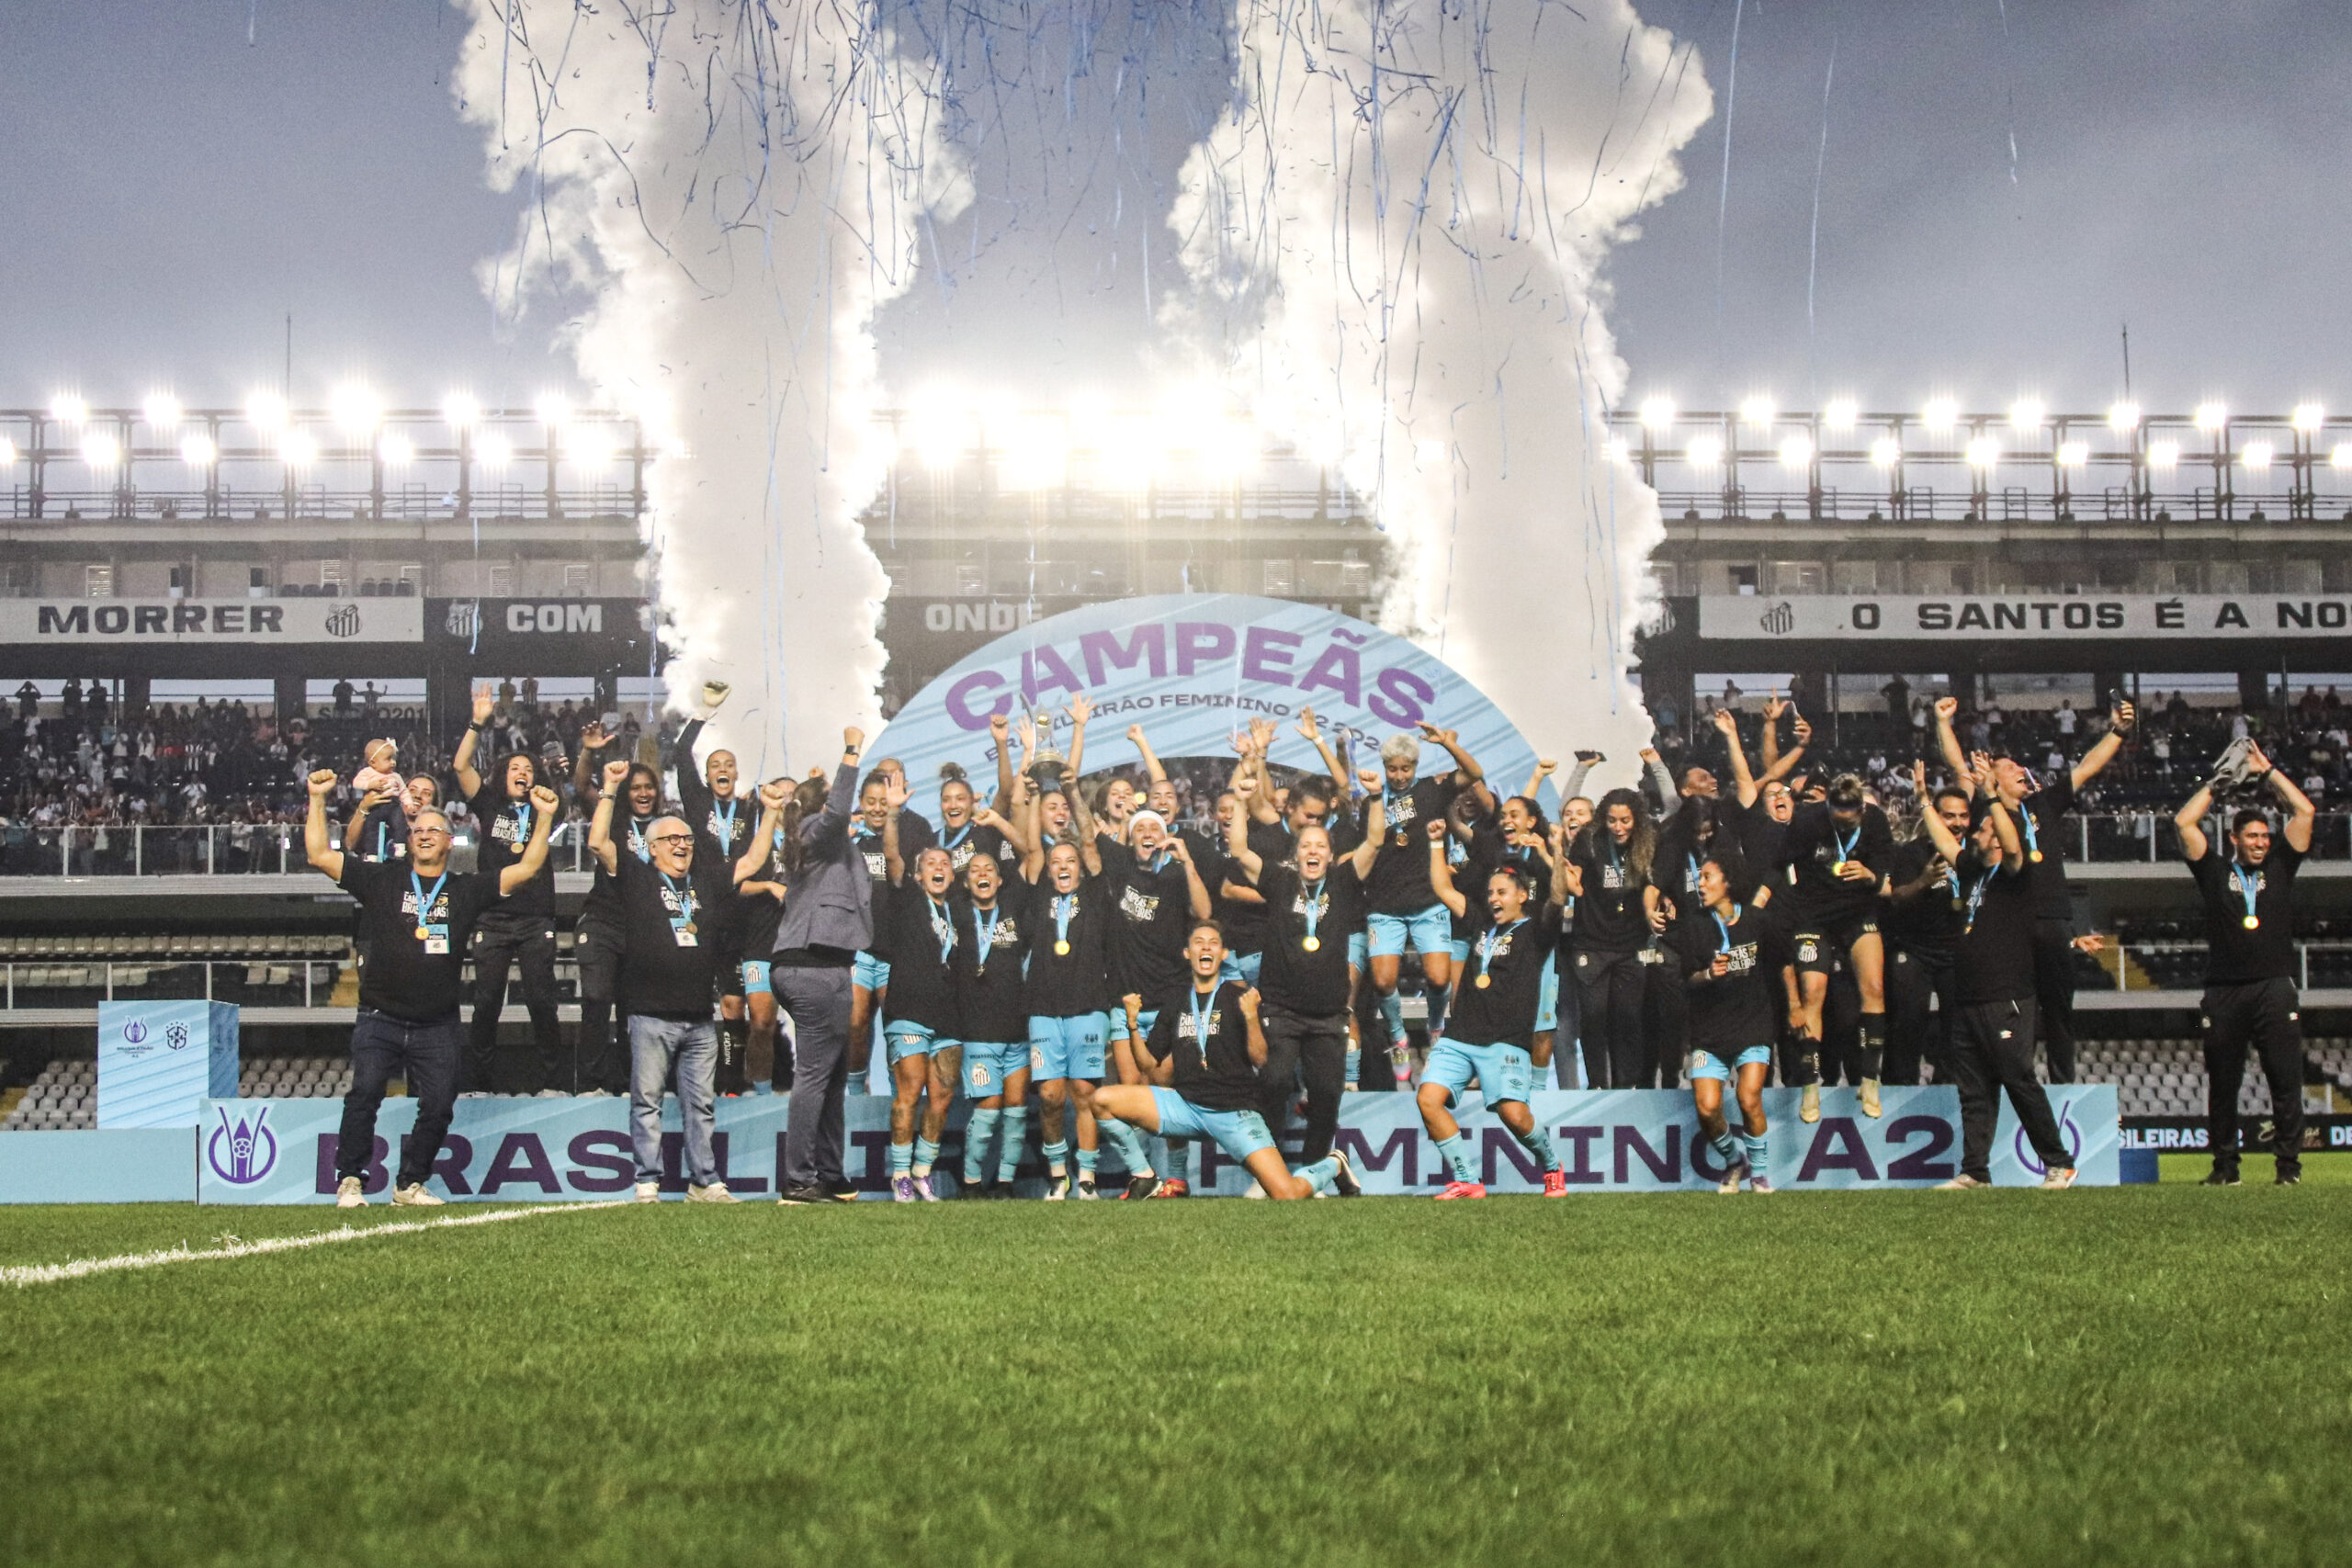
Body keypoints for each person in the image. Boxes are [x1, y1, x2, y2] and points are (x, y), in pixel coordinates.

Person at [303, 766, 556, 1208]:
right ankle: (350, 1180)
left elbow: (529, 867)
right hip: (379, 1015)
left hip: (437, 1024)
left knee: (439, 1105)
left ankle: (409, 1184)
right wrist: (317, 799)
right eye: (418, 830)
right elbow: (320, 855)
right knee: (365, 1094)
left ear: (449, 840)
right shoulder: (382, 879)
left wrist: (546, 817)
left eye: (433, 830)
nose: (423, 835)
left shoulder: (465, 890)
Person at [588, 761, 782, 1204]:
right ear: (652, 848)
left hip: (698, 1017)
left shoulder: (707, 880)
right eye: (672, 840)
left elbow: (753, 861)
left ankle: (704, 1182)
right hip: (649, 1014)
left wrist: (770, 811)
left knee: (702, 1106)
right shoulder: (636, 877)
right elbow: (598, 841)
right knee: (647, 1102)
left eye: (687, 839)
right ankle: (647, 1181)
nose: (682, 845)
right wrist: (611, 786)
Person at [1936, 693, 2135, 1085]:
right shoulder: (1986, 811)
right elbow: (1958, 767)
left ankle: (2063, 1087)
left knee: (2059, 1008)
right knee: (2017, 1007)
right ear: (1993, 779)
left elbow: (2088, 767)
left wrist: (2118, 732)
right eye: (2010, 767)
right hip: (2010, 925)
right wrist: (1943, 723)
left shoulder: (2043, 804)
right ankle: (2017, 1081)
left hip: (2052, 918)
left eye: (2019, 766)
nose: (2020, 770)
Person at [1091, 920, 1359, 1201]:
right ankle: (1144, 1177)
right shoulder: (1176, 1001)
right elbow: (1148, 1065)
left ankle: (1334, 1164)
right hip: (1186, 1107)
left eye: (1213, 943)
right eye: (1199, 942)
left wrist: (1252, 1017)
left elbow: (1261, 1059)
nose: (1206, 947)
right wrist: (1133, 1025)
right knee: (1101, 1100)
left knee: (1286, 1194)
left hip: (1234, 1114)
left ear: (1223, 954)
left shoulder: (1240, 998)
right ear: (1187, 953)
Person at [1916, 752, 2075, 1190]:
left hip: (2006, 995)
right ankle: (1975, 1171)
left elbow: (2013, 842)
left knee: (2018, 1079)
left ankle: (2059, 1162)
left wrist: (1990, 799)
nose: (1976, 831)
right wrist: (1924, 800)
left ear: (2000, 840)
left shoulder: (2015, 875)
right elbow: (1945, 843)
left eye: (1984, 828)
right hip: (1969, 995)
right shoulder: (1972, 872)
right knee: (1972, 1089)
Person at [1224, 770, 1385, 1175]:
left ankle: (1312, 1173)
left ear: (1330, 856)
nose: (1313, 851)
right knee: (1275, 1081)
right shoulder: (1279, 881)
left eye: (1320, 846)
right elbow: (1240, 849)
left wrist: (1376, 797)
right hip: (1282, 1011)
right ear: (1296, 855)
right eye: (1306, 845)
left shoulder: (1344, 882)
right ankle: (1270, 1171)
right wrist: (1240, 801)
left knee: (1327, 1093)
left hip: (1329, 1015)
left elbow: (1375, 841)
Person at [2174, 742, 2315, 1186]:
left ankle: (2288, 1170)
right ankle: (2225, 1169)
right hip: (2224, 991)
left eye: (2264, 837)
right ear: (2234, 839)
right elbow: (2183, 822)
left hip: (2274, 987)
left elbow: (2305, 812)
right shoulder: (2215, 872)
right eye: (2251, 836)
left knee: (2286, 1083)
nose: (2260, 843)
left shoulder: (2280, 868)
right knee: (2223, 1085)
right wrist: (2217, 786)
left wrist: (2268, 771)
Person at [1417, 819, 1569, 1200]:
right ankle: (1468, 1179)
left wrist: (1558, 853)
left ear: (1522, 896)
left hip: (1505, 1040)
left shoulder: (1537, 932)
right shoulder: (1481, 923)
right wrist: (1435, 843)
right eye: (1490, 893)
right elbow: (1443, 889)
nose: (1494, 898)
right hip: (1461, 1035)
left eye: (1502, 892)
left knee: (1513, 1115)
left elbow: (1558, 898)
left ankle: (1552, 1167)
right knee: (1428, 1100)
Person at [773, 727, 876, 1206]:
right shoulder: (817, 829)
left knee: (831, 1075)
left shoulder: (814, 836)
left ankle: (831, 1174)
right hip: (813, 966)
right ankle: (798, 1179)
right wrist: (850, 752)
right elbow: (836, 812)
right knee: (815, 1075)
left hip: (818, 965)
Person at [453, 682, 565, 1095]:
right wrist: (477, 723)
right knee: (486, 1005)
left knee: (542, 1002)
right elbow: (461, 767)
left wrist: (550, 793)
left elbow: (560, 804)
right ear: (503, 775)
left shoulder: (547, 807)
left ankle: (552, 1085)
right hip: (493, 917)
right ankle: (479, 1085)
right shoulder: (488, 804)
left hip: (536, 918)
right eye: (515, 768)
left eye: (529, 770)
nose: (522, 773)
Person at [1363, 725, 1489, 1085]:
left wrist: (1448, 743)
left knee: (1438, 978)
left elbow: (1474, 773)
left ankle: (1435, 1029)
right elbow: (1369, 845)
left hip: (1429, 901)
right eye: (1393, 769)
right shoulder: (1373, 798)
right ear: (1385, 767)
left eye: (1405, 768)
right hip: (1384, 905)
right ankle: (1398, 1038)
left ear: (1415, 766)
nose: (1399, 775)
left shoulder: (1433, 789)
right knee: (1383, 982)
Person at [1103, 790, 1214, 1194]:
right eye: (1141, 829)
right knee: (1132, 1093)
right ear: (1130, 838)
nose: (1148, 833)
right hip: (1126, 1001)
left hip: (1169, 999)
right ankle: (1143, 1174)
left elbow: (1204, 913)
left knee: (1167, 1092)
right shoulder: (1119, 871)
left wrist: (1188, 863)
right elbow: (1085, 826)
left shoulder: (1176, 876)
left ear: (1165, 835)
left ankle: (1178, 1177)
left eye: (1155, 828)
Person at [1023, 838, 1138, 1201]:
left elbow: (1090, 846)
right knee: (1049, 1095)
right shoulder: (1038, 897)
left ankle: (1087, 1177)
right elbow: (1031, 848)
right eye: (1056, 861)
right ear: (1048, 870)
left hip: (1088, 1007)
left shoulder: (1096, 896)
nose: (1063, 867)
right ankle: (1059, 1175)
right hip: (1043, 1008)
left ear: (1081, 868)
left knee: (1086, 1093)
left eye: (1070, 861)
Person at [1781, 773, 1895, 1122]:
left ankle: (1870, 1080)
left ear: (1862, 809)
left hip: (1858, 913)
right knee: (1813, 993)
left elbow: (1884, 877)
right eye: (1837, 817)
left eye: (1850, 819)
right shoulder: (1806, 821)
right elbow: (1781, 865)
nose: (1844, 824)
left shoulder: (1876, 821)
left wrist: (1870, 875)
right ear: (1828, 807)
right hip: (1814, 916)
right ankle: (1810, 1086)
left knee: (1874, 987)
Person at [673, 682, 758, 1094]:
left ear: (737, 774)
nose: (722, 769)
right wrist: (703, 712)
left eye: (729, 764)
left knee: (734, 1005)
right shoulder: (698, 803)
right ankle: (686, 1081)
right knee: (691, 1002)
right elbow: (679, 754)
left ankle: (731, 1083)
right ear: (707, 777)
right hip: (703, 915)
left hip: (741, 917)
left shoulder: (751, 806)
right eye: (715, 765)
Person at [1675, 852, 1776, 1193]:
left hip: (1752, 1023)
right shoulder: (1694, 925)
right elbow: (1686, 978)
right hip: (1710, 1030)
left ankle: (1759, 1175)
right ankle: (1735, 1161)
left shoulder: (1757, 921)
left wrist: (1795, 1006)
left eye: (1707, 878)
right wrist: (1708, 974)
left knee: (1749, 1098)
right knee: (1707, 1108)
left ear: (1728, 881)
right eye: (1699, 879)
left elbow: (1782, 965)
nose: (1700, 885)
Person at [877, 805, 962, 1201]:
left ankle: (923, 1171)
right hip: (908, 1011)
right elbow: (892, 857)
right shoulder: (908, 899)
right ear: (918, 875)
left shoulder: (959, 911)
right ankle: (900, 1176)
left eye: (945, 863)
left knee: (942, 1098)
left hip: (948, 1017)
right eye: (930, 863)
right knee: (909, 1093)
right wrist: (893, 814)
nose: (938, 867)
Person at [571, 727, 661, 1098]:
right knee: (596, 998)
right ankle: (590, 1084)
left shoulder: (666, 829)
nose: (643, 793)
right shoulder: (614, 816)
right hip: (602, 922)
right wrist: (589, 753)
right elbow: (582, 788)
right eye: (636, 787)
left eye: (649, 787)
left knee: (631, 1009)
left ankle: (626, 1084)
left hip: (640, 928)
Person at [952, 852, 1036, 1198]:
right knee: (987, 1110)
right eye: (975, 870)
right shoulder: (958, 914)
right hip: (978, 1032)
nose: (982, 874)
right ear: (966, 881)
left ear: (1000, 881)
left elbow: (1033, 855)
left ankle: (1005, 1183)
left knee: (1016, 1111)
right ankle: (971, 1184)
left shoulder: (1015, 911)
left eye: (990, 869)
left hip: (1017, 1031)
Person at [1881, 765, 1968, 1087]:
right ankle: (1899, 1093)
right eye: (1949, 816)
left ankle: (1947, 1090)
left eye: (1963, 816)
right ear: (1934, 817)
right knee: (1907, 1024)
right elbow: (1896, 898)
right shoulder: (1911, 853)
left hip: (1955, 953)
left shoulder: (1972, 855)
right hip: (1914, 951)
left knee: (1958, 1029)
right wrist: (1924, 881)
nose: (1957, 823)